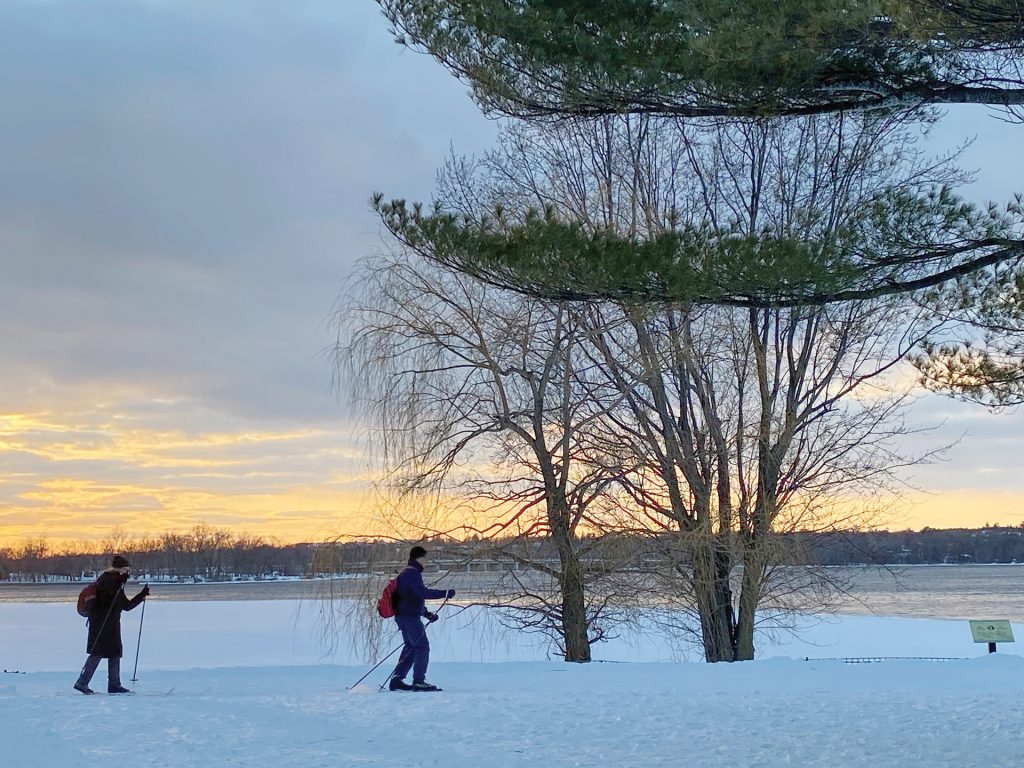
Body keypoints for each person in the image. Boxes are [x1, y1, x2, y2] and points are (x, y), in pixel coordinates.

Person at [74, 554, 150, 694]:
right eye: (126, 569)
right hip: (105, 623)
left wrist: (141, 595)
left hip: (103, 622)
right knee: (100, 652)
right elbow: (123, 605)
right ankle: (86, 682)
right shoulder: (112, 582)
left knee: (112, 652)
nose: (128, 572)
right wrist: (140, 595)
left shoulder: (109, 581)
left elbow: (122, 605)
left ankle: (111, 684)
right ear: (120, 569)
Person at [388, 545, 455, 692]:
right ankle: (419, 681)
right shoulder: (411, 573)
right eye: (425, 558)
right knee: (422, 646)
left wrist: (426, 614)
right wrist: (444, 593)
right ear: (418, 558)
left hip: (403, 616)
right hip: (409, 617)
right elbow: (421, 593)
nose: (426, 562)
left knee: (411, 646)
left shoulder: (406, 573)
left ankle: (397, 680)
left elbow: (411, 597)